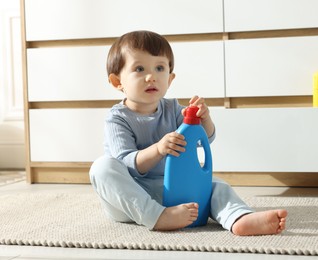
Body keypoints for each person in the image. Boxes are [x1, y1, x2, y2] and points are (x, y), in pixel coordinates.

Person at [89, 30, 287, 236]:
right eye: (139, 69)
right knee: (102, 167)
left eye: (159, 68)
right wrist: (158, 149)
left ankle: (238, 217)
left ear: (170, 78)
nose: (151, 77)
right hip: (129, 198)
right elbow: (127, 163)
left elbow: (204, 140)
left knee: (216, 184)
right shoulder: (117, 118)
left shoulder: (174, 109)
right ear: (117, 82)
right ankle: (156, 217)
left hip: (172, 189)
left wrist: (203, 119)